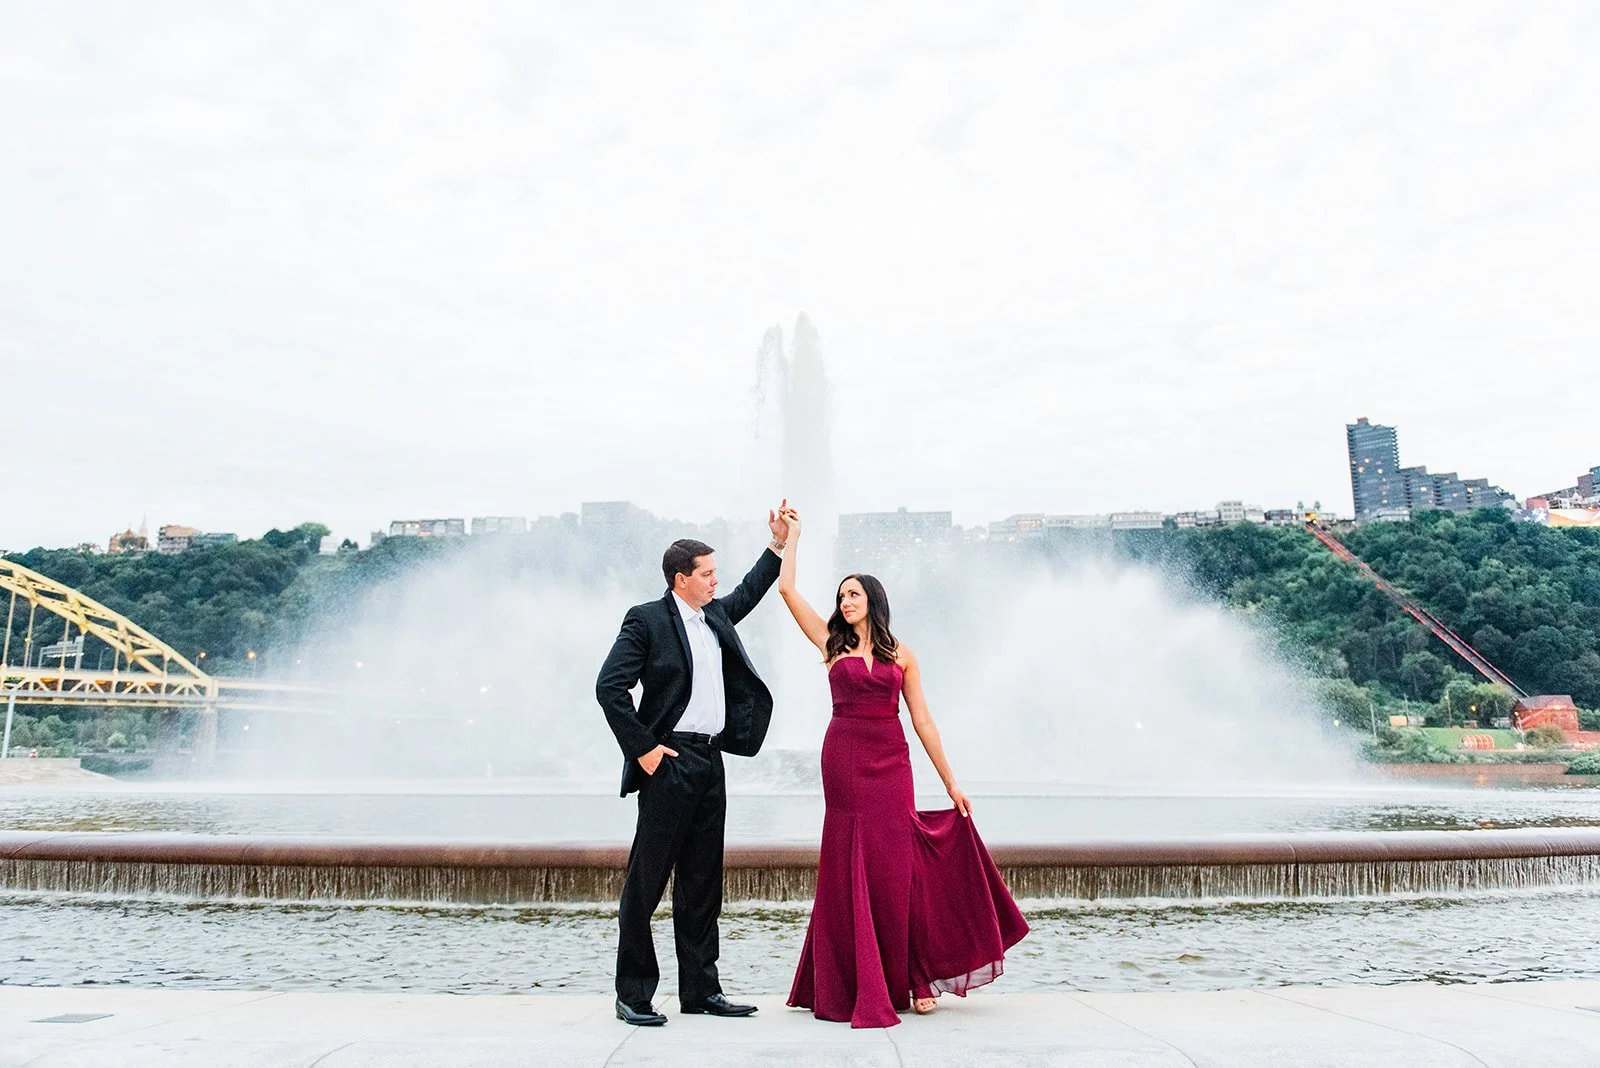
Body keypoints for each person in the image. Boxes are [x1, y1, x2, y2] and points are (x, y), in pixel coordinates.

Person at [774, 505, 1029, 1028]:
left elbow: (924, 722)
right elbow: (786, 591)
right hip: (844, 758)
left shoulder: (902, 654)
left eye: (854, 594)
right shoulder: (830, 644)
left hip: (892, 763)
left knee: (897, 871)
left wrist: (953, 783)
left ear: (873, 602)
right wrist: (790, 539)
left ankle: (912, 977)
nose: (844, 602)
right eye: (841, 595)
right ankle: (853, 981)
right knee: (851, 863)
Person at [595, 504, 794, 1027]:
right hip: (668, 761)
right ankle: (634, 994)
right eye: (707, 573)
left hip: (710, 760)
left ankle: (701, 991)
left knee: (704, 882)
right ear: (681, 580)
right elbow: (609, 687)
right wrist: (644, 749)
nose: (715, 580)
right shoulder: (646, 619)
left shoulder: (715, 615)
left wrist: (776, 545)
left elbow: (749, 591)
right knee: (647, 880)